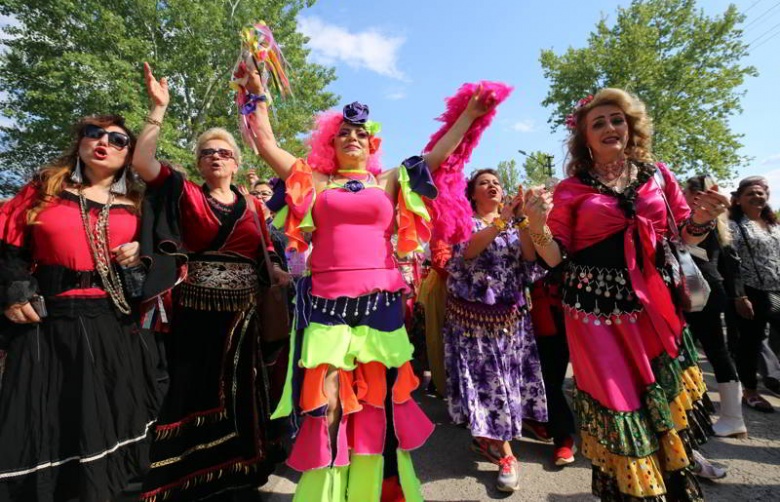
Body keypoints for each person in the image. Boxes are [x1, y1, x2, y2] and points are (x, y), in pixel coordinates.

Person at [245, 63, 507, 499]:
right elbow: (266, 143)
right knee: (326, 403)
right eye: (345, 132)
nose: (353, 137)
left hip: (380, 303)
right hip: (325, 302)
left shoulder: (390, 180)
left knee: (379, 402)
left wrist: (470, 113)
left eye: (361, 133)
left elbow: (438, 152)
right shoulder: (315, 179)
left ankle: (378, 490)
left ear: (372, 143)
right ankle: (328, 491)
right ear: (332, 142)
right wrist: (258, 96)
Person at [525, 88, 730, 501]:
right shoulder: (569, 189)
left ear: (630, 126)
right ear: (584, 138)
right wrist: (536, 223)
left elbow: (682, 236)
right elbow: (553, 256)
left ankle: (676, 482)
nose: (609, 127)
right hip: (595, 310)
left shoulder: (657, 173)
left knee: (661, 398)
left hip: (654, 304)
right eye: (597, 123)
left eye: (616, 119)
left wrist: (704, 218)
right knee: (620, 402)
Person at [134, 63, 287, 501]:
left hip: (244, 313)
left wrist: (275, 268)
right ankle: (183, 478)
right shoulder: (186, 192)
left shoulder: (256, 209)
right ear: (199, 162)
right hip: (195, 311)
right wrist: (157, 109)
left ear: (237, 162)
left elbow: (267, 252)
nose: (216, 157)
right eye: (207, 153)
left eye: (224, 152)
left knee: (242, 392)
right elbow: (144, 162)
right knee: (192, 389)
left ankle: (239, 474)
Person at [0, 115, 161, 502]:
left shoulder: (139, 206)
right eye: (94, 134)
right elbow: (6, 246)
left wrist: (142, 254)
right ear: (81, 143)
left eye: (118, 140)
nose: (104, 142)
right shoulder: (43, 190)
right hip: (47, 325)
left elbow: (166, 258)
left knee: (108, 417)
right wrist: (12, 288)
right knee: (44, 420)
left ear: (128, 155)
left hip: (113, 325)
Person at [443, 169, 547, 492]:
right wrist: (501, 221)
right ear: (472, 194)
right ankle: (506, 454)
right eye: (483, 183)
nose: (492, 186)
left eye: (496, 183)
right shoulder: (464, 221)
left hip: (511, 322)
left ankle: (487, 438)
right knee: (489, 386)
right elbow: (467, 252)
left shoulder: (514, 227)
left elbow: (530, 258)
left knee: (507, 385)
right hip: (474, 324)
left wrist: (525, 220)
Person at [681, 176, 747, 437]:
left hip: (695, 290)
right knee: (714, 352)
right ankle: (730, 415)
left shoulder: (697, 222)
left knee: (690, 353)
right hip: (708, 289)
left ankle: (729, 416)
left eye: (685, 191)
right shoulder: (718, 223)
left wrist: (738, 296)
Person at [728, 176, 780, 413]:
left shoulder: (773, 225)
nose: (757, 197)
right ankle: (750, 391)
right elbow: (730, 264)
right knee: (750, 343)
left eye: (761, 193)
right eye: (751, 193)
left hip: (776, 290)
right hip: (750, 292)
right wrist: (739, 296)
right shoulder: (734, 226)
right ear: (738, 200)